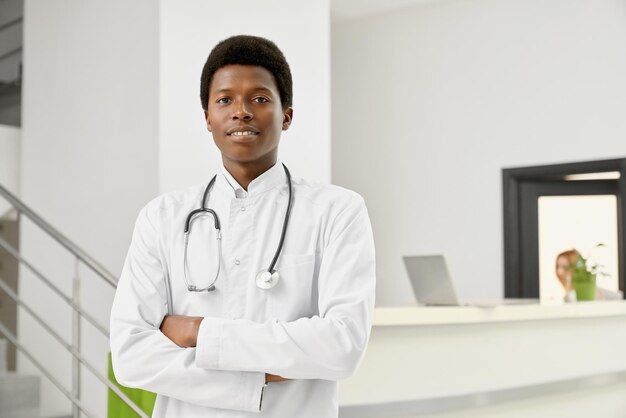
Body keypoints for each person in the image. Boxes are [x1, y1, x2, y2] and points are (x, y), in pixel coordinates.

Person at [109, 35, 376, 418]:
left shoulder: (337, 211)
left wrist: (199, 332)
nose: (242, 112)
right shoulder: (162, 216)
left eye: (260, 99)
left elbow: (342, 345)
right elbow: (131, 354)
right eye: (224, 100)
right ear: (207, 118)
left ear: (286, 115)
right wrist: (258, 376)